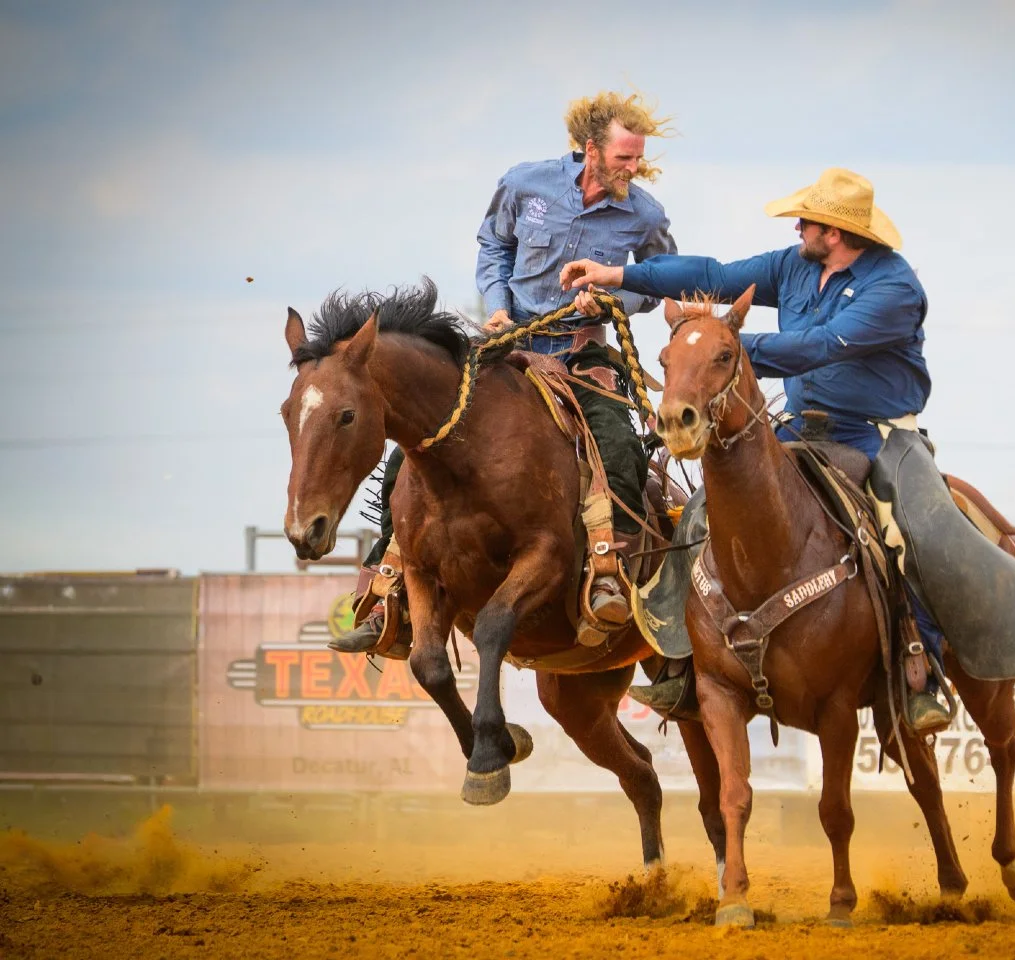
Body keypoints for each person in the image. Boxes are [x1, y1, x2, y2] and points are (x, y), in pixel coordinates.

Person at [559, 168, 951, 732]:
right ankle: (680, 661)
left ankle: (923, 671)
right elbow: (714, 275)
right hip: (797, 428)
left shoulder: (893, 289)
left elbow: (819, 347)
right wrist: (619, 273)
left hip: (878, 431)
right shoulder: (795, 264)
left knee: (914, 529)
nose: (798, 227)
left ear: (835, 231)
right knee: (700, 517)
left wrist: (717, 355)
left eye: (807, 221)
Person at [330, 90, 677, 653]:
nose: (633, 170)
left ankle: (610, 575)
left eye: (637, 160)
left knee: (617, 443)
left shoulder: (645, 214)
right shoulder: (525, 183)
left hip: (581, 349)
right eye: (624, 158)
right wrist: (495, 300)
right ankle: (389, 590)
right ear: (591, 149)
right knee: (416, 445)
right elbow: (493, 243)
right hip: (508, 341)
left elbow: (661, 278)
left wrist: (615, 297)